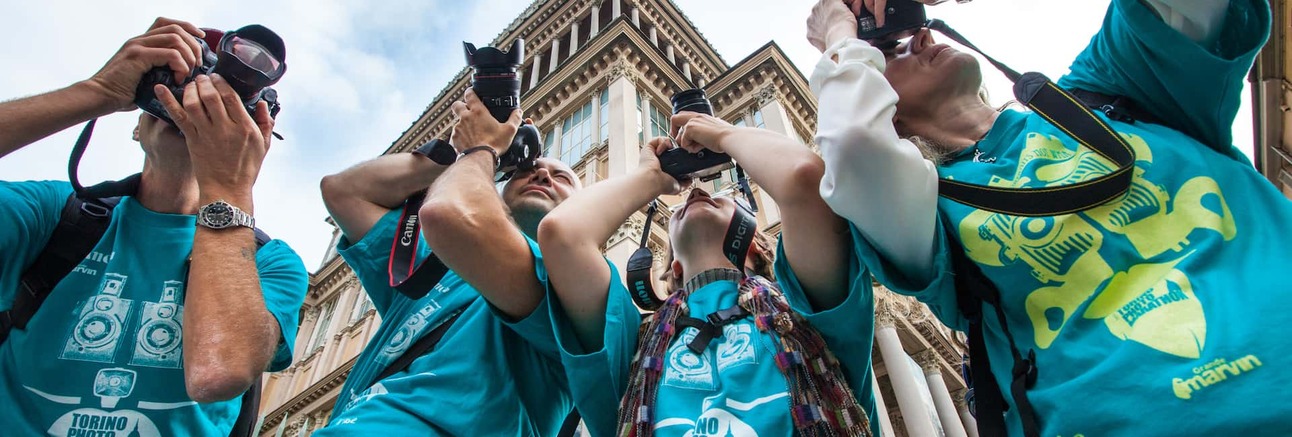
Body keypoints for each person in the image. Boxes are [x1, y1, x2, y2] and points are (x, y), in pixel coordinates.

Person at [807, 0, 1291, 434]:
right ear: (885, 109)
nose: (922, 38)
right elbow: (854, 144)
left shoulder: (1115, 91)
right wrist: (838, 31)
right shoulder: (925, 215)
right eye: (889, 51)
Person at [0, 18, 308, 435]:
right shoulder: (52, 214)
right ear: (137, 120)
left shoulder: (269, 262)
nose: (195, 104)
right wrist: (97, 92)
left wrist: (229, 186)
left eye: (223, 104)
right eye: (183, 84)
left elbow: (220, 372)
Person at [538, 112, 880, 436]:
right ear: (674, 266)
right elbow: (561, 235)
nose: (698, 192)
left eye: (720, 196)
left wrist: (724, 135)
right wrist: (649, 178)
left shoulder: (806, 307)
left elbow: (804, 178)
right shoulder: (633, 343)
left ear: (757, 246)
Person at [315, 89, 577, 435]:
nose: (543, 176)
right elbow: (344, 192)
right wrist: (455, 153)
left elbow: (450, 213)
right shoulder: (434, 265)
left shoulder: (575, 288)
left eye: (562, 178)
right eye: (528, 171)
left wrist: (482, 150)